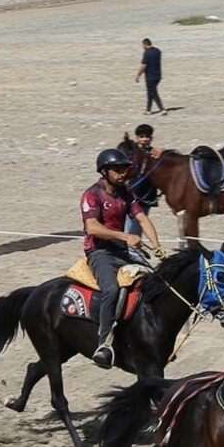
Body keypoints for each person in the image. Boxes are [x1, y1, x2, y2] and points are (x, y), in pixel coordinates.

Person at [82, 148, 164, 370]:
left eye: (124, 169)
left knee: (156, 282)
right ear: (104, 171)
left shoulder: (125, 193)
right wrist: (125, 236)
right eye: (117, 170)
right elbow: (92, 227)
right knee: (111, 289)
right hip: (100, 252)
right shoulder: (92, 195)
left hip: (121, 251)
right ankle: (104, 344)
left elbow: (142, 219)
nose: (122, 173)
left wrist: (157, 247)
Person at [124, 122, 163, 239]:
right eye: (141, 137)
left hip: (146, 196)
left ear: (151, 138)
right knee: (130, 223)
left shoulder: (154, 154)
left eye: (147, 137)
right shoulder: (131, 151)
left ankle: (132, 248)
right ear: (137, 138)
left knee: (138, 223)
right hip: (130, 193)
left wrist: (163, 150)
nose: (145, 139)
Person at [136, 37, 165, 115]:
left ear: (144, 44)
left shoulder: (147, 53)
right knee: (150, 92)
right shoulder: (158, 51)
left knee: (153, 93)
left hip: (150, 76)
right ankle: (148, 110)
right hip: (158, 75)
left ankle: (162, 109)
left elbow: (143, 65)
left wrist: (138, 75)